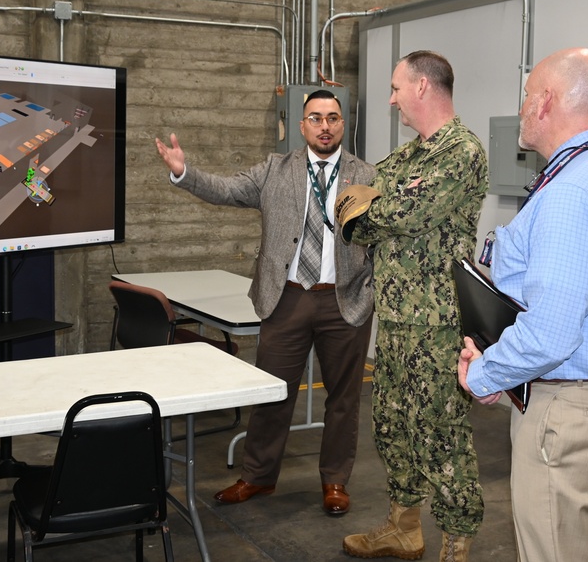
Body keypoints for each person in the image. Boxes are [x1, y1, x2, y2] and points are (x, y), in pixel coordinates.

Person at [457, 47, 588, 562]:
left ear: (546, 102)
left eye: (527, 97)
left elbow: (552, 331)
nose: (523, 109)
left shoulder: (572, 191)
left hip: (571, 411)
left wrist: (486, 374)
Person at [154, 89, 375, 516]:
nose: (325, 126)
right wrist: (185, 172)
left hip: (343, 302)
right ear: (302, 124)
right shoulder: (276, 169)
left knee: (344, 400)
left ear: (343, 124)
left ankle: (334, 481)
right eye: (316, 118)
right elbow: (227, 189)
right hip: (287, 299)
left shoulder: (366, 174)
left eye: (332, 118)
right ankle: (257, 477)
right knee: (273, 393)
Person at [340, 50, 488, 562]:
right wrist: (369, 209)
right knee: (393, 425)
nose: (391, 98)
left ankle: (457, 543)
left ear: (423, 86)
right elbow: (351, 202)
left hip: (439, 324)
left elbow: (402, 213)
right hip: (399, 317)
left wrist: (371, 212)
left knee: (440, 433)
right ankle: (404, 529)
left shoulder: (462, 151)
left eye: (397, 87)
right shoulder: (407, 158)